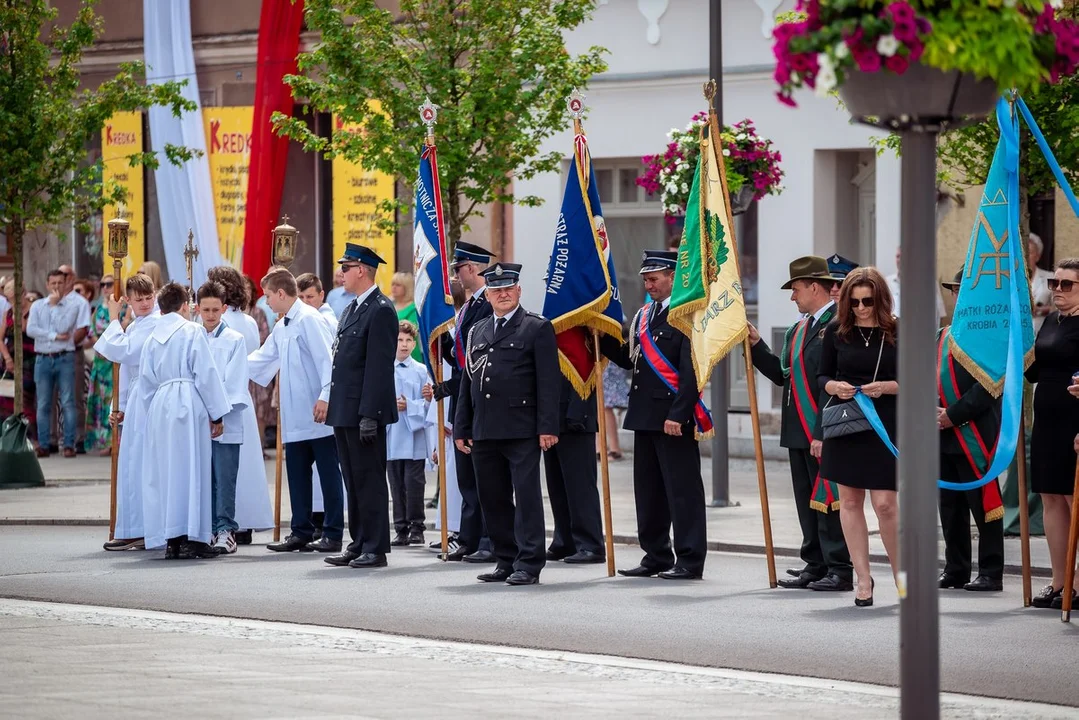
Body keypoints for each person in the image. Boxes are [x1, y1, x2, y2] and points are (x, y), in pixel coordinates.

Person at [601, 250, 707, 581]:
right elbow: (630, 359)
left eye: (655, 278)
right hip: (645, 414)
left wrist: (679, 413)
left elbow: (693, 372)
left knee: (682, 491)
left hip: (673, 418)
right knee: (649, 492)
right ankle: (656, 554)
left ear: (673, 277)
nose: (649, 284)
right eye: (646, 279)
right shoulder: (644, 315)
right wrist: (602, 336)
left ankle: (689, 558)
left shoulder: (688, 315)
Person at [749, 256, 853, 592]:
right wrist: (756, 346)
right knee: (806, 501)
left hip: (823, 429)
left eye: (795, 290)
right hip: (797, 429)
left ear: (813, 287)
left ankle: (840, 566)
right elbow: (784, 377)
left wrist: (823, 431)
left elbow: (838, 384)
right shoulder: (799, 330)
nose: (793, 297)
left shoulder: (840, 325)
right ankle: (816, 562)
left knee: (829, 500)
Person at [454, 262, 559, 585]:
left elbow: (548, 383)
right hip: (485, 428)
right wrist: (462, 426)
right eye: (496, 290)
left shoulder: (536, 328)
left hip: (522, 428)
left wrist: (548, 427)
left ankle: (528, 563)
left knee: (526, 498)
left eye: (507, 289)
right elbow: (468, 383)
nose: (502, 294)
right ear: (489, 294)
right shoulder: (478, 330)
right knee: (493, 497)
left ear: (518, 291)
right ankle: (505, 559)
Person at [818, 267, 900, 607]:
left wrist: (885, 387)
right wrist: (835, 386)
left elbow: (917, 378)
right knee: (850, 503)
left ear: (880, 299)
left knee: (885, 505)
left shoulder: (896, 331)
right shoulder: (837, 330)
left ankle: (902, 575)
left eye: (867, 301)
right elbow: (821, 374)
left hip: (885, 423)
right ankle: (863, 579)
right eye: (854, 302)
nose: (861, 308)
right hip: (847, 423)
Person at [249, 267, 345, 555]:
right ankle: (300, 530)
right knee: (298, 475)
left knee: (328, 474)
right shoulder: (284, 324)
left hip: (317, 413)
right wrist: (226, 365)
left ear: (281, 293)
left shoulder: (309, 319)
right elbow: (263, 359)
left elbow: (326, 361)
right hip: (294, 415)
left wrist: (326, 397)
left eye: (268, 296)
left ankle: (333, 532)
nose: (266, 302)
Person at [137, 282, 231, 559]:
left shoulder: (152, 336)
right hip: (187, 403)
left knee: (166, 472)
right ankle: (193, 537)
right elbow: (206, 372)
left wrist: (146, 419)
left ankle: (172, 538)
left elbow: (144, 382)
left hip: (160, 403)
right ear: (182, 307)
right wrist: (217, 413)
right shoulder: (192, 331)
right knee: (192, 469)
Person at [323, 244, 399, 569]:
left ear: (362, 270)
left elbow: (378, 369)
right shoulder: (352, 308)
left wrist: (370, 414)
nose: (342, 272)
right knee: (353, 480)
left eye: (346, 266)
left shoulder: (380, 309)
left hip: (364, 413)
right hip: (345, 410)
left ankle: (375, 546)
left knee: (369, 479)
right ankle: (358, 541)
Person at [937, 269, 1004, 592]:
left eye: (966, 291)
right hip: (942, 432)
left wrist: (953, 414)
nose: (958, 296)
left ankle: (991, 571)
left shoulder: (990, 336)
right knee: (949, 506)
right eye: (955, 290)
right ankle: (956, 568)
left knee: (984, 503)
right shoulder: (941, 335)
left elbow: (989, 387)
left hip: (976, 431)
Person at [433, 241, 497, 562]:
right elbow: (457, 355)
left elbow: (475, 359)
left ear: (472, 267)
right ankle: (470, 538)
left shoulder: (487, 305)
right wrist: (440, 335)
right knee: (466, 477)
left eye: (458, 269)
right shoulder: (468, 307)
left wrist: (446, 386)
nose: (455, 276)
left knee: (483, 475)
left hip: (476, 398)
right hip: (462, 399)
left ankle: (489, 538)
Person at [207, 266, 274, 538]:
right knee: (244, 463)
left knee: (224, 465)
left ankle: (224, 521)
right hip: (241, 394)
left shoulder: (219, 324)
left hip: (221, 395)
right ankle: (245, 521)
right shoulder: (246, 320)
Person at [95, 274, 160, 551]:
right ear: (130, 300)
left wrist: (113, 318)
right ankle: (134, 527)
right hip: (135, 399)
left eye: (148, 297)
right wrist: (117, 407)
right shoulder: (136, 325)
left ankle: (140, 528)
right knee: (131, 465)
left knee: (139, 465)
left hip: (149, 399)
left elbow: (123, 352)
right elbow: (124, 371)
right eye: (138, 299)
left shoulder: (154, 324)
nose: (145, 303)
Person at [1030, 258, 1079, 609]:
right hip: (1046, 419)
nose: (1058, 290)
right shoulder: (1050, 321)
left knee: (1073, 500)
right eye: (1054, 283)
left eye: (1067, 285)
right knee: (1050, 497)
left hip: (1075, 419)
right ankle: (1061, 582)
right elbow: (1035, 371)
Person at [196, 281, 251, 555]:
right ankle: (205, 528)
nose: (210, 315)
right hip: (197, 421)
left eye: (215, 310)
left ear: (224, 308)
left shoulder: (234, 340)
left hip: (225, 420)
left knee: (224, 477)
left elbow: (234, 383)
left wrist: (218, 413)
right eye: (205, 309)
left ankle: (226, 530)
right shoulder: (191, 337)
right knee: (204, 477)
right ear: (197, 308)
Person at [544, 374, 606, 564]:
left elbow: (585, 373)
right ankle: (564, 540)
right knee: (557, 486)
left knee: (580, 487)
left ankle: (590, 543)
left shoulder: (579, 342)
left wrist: (579, 411)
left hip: (576, 414)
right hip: (552, 416)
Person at [25, 269, 84, 458]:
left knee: (68, 401)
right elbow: (31, 329)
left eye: (60, 283)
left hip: (65, 356)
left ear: (66, 283)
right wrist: (53, 336)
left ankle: (68, 444)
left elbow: (64, 328)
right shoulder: (37, 306)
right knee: (43, 403)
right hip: (43, 358)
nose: (57, 287)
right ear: (47, 285)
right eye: (53, 283)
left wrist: (56, 307)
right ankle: (43, 444)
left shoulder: (72, 305)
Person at [387, 320, 431, 546]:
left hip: (413, 436)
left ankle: (417, 527)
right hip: (393, 436)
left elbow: (428, 404)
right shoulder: (384, 369)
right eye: (399, 340)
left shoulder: (421, 371)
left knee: (414, 483)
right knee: (396, 484)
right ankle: (400, 528)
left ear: (414, 344)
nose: (404, 345)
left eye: (408, 340)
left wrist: (410, 406)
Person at [59, 266, 92, 454]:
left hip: (73, 352)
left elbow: (82, 328)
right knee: (50, 400)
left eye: (66, 275)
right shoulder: (49, 302)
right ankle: (54, 439)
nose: (63, 279)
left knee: (74, 397)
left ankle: (78, 438)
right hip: (51, 353)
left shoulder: (80, 302)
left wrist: (67, 342)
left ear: (72, 277)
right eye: (59, 275)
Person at [244, 274, 275, 458]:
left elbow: (264, 334)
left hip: (257, 365)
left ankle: (260, 447)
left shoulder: (258, 312)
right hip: (244, 369)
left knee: (260, 412)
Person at [85, 275, 115, 455]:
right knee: (99, 400)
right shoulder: (97, 309)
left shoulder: (122, 307)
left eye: (109, 284)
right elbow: (91, 332)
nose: (105, 287)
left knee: (112, 401)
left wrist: (108, 346)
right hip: (100, 360)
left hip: (113, 361)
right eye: (103, 285)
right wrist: (100, 345)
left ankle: (113, 441)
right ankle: (102, 441)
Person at [886, 247, 945, 323]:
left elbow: (940, 313)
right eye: (898, 256)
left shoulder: (929, 283)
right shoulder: (887, 282)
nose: (900, 260)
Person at [599, 321, 629, 460]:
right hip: (599, 356)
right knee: (599, 406)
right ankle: (600, 446)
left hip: (610, 360)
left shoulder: (612, 303)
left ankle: (613, 447)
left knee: (605, 406)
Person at [390, 271, 423, 362]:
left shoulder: (413, 308)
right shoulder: (390, 305)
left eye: (398, 285)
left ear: (407, 287)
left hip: (409, 354)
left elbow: (412, 331)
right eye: (393, 284)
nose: (394, 287)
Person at [1029, 233, 1054, 333]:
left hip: (1043, 333)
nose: (1026, 256)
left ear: (1038, 256)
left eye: (1030, 252)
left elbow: (1058, 306)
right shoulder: (1012, 280)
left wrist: (1040, 309)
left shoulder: (1050, 277)